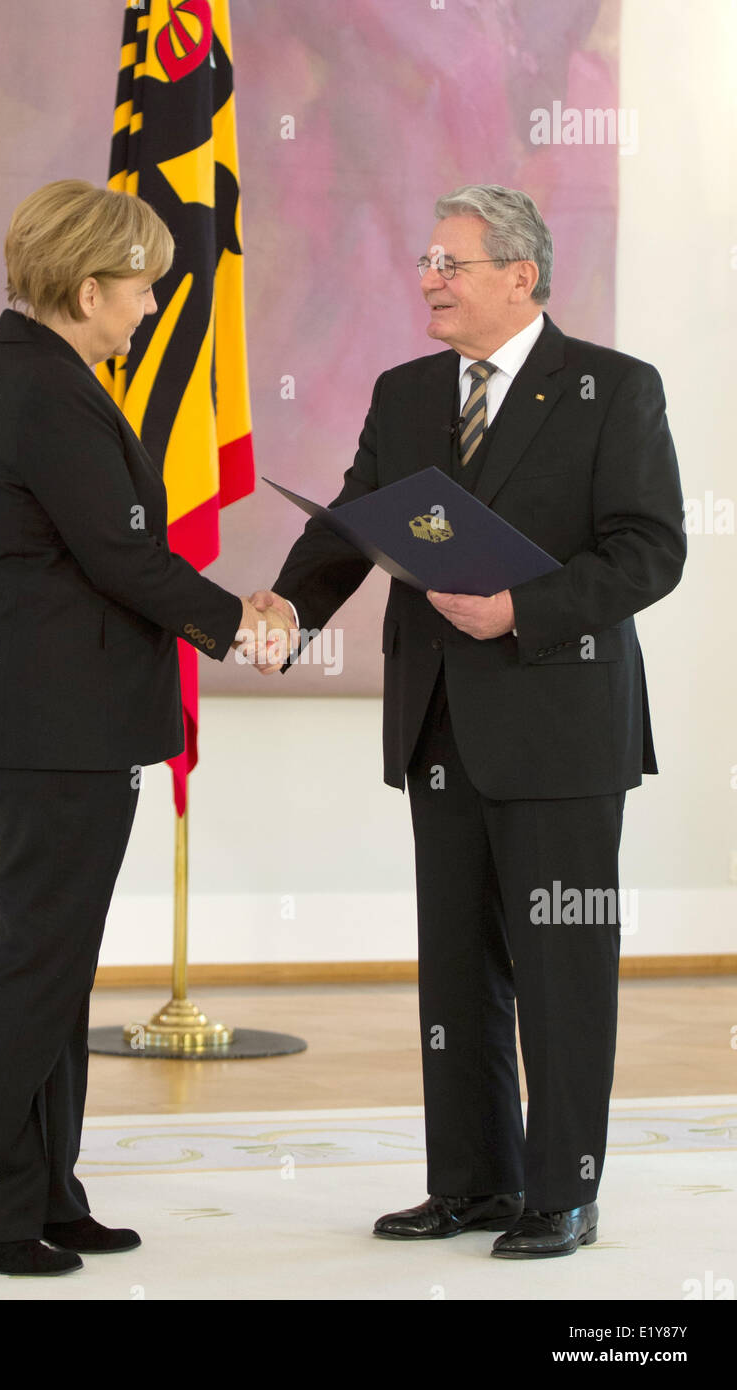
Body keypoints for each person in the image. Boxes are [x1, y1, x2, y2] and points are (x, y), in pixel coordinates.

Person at [249, 184, 686, 1258]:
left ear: (519, 276)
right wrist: (286, 612)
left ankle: (562, 1193)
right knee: (455, 968)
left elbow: (649, 549)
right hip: (437, 723)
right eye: (425, 260)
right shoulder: (403, 392)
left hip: (559, 727)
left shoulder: (610, 388)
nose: (428, 280)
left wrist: (519, 610)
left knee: (560, 965)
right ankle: (472, 1183)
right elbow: (352, 524)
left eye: (450, 262)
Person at [0, 178, 289, 1276]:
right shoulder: (41, 387)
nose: (146, 311)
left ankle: (43, 1188)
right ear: (86, 289)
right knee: (38, 963)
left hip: (42, 716)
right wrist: (243, 622)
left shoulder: (32, 371)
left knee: (56, 962)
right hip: (51, 724)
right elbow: (120, 557)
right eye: (139, 291)